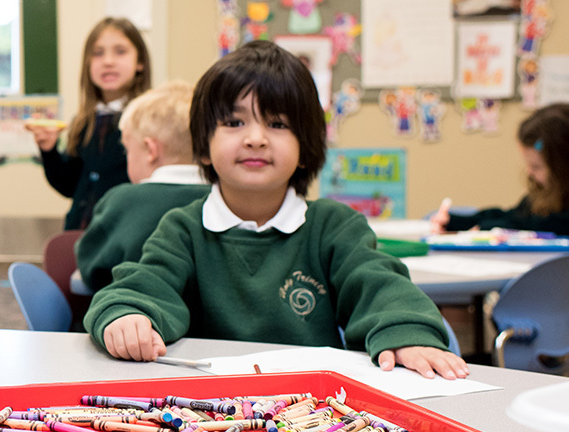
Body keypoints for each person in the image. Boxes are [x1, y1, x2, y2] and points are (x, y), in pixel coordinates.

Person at [84, 41, 468, 380]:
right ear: (203, 146)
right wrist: (128, 315)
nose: (255, 138)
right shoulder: (183, 228)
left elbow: (380, 288)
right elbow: (142, 286)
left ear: (306, 149)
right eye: (234, 122)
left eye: (277, 123)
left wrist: (406, 335)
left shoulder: (333, 227)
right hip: (210, 412)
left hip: (316, 417)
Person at [76, 80, 210, 291]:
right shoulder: (226, 198)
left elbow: (91, 265)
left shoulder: (122, 200)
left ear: (150, 150)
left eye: (127, 150)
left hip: (136, 317)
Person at [27, 17, 151, 230]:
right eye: (98, 53)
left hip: (124, 236)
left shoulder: (148, 119)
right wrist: (49, 151)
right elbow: (69, 186)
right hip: (80, 233)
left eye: (120, 51)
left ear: (140, 62)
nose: (108, 61)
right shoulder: (84, 121)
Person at [430, 103, 569, 236]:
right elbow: (512, 216)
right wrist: (455, 222)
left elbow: (534, 225)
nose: (529, 172)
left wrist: (490, 228)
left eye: (536, 167)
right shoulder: (544, 194)